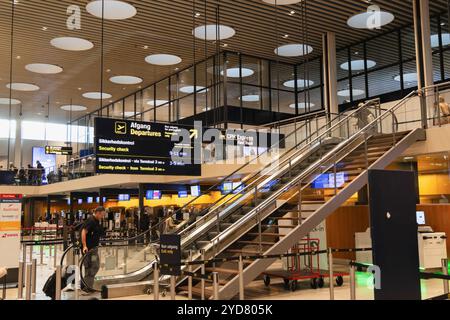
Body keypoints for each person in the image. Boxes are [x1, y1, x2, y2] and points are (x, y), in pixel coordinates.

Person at [81, 206, 106, 292]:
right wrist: (84, 245)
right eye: (102, 215)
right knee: (92, 266)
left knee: (92, 266)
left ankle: (87, 286)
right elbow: (84, 232)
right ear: (98, 213)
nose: (102, 217)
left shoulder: (96, 221)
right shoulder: (90, 221)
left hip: (93, 249)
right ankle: (86, 286)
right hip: (89, 250)